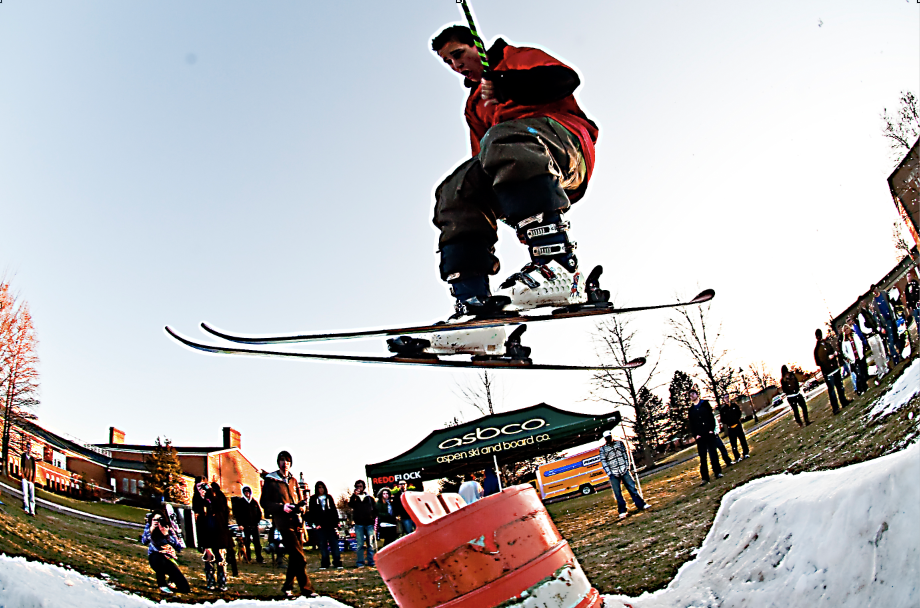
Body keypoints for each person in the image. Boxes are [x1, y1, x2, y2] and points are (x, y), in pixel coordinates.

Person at [426, 24, 604, 353]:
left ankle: (558, 267)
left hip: (562, 144)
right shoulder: (474, 104)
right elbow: (482, 162)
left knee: (504, 138)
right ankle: (477, 311)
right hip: (515, 159)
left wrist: (507, 84)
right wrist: (509, 209)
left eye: (458, 55)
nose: (456, 66)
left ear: (476, 46)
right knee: (456, 190)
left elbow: (564, 80)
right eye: (448, 63)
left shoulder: (513, 58)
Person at [260, 451, 316, 597]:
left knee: (294, 557)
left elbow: (296, 498)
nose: (285, 463)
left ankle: (287, 587)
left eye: (288, 461)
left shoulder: (293, 481)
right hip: (283, 523)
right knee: (300, 558)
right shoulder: (271, 480)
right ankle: (307, 589)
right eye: (282, 460)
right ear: (278, 462)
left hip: (297, 521)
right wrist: (280, 507)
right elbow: (264, 502)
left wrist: (301, 506)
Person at [598, 430, 649, 519]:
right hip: (613, 473)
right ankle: (622, 511)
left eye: (609, 437)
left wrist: (627, 466)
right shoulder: (603, 449)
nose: (609, 439)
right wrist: (610, 473)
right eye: (607, 438)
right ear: (605, 439)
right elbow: (604, 462)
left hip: (624, 470)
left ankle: (641, 505)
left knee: (632, 488)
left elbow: (625, 455)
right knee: (617, 493)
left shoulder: (619, 444)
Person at [192, 480, 230, 591]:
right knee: (208, 558)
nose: (203, 489)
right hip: (206, 532)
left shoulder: (218, 495)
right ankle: (210, 582)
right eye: (200, 487)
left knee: (221, 559)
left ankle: (222, 583)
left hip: (219, 532)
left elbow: (221, 508)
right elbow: (196, 509)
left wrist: (210, 493)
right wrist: (200, 496)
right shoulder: (198, 498)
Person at [141, 510, 190, 594]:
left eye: (159, 520)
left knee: (185, 589)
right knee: (158, 558)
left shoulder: (168, 529)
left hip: (168, 559)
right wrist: (151, 530)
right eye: (155, 520)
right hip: (155, 558)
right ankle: (162, 585)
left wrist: (166, 535)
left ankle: (172, 582)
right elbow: (144, 541)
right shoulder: (149, 527)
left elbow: (178, 547)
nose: (157, 522)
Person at [688, 388, 723, 486]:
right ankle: (705, 478)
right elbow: (692, 424)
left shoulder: (705, 404)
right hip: (700, 436)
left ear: (696, 395)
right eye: (690, 396)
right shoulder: (691, 410)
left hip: (709, 433)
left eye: (693, 395)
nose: (691, 397)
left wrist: (712, 429)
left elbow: (711, 417)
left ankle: (717, 472)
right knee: (703, 457)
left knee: (713, 454)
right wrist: (695, 435)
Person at [813, 329, 850, 414]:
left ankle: (843, 401)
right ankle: (835, 408)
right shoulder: (817, 349)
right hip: (828, 372)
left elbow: (833, 351)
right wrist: (827, 359)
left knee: (840, 386)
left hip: (835, 369)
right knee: (832, 391)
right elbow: (818, 362)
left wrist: (835, 354)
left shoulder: (827, 344)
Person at [308, 481, 343, 570]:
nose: (321, 490)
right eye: (319, 488)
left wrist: (336, 522)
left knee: (334, 544)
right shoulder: (313, 499)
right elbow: (311, 512)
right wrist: (315, 524)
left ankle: (337, 562)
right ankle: (325, 563)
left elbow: (334, 510)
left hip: (330, 525)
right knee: (323, 545)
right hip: (320, 525)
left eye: (322, 487)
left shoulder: (329, 497)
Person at [231, 485, 263, 564]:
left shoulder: (254, 502)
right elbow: (237, 514)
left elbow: (259, 512)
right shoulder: (240, 502)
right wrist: (240, 524)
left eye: (248, 492)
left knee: (257, 543)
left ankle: (259, 558)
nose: (247, 494)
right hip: (245, 526)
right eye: (245, 492)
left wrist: (258, 522)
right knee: (247, 542)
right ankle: (248, 558)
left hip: (254, 525)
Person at [349, 479, 376, 568]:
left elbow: (375, 509)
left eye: (360, 486)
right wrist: (354, 495)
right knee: (360, 544)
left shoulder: (369, 498)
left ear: (363, 487)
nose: (359, 488)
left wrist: (373, 518)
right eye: (357, 487)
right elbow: (350, 505)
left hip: (369, 523)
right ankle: (360, 562)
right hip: (359, 523)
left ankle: (371, 561)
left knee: (370, 544)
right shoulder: (355, 498)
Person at [872, 284, 901, 366]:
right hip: (886, 322)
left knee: (896, 336)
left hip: (892, 318)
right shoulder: (874, 302)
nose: (875, 291)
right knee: (890, 341)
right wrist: (881, 327)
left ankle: (901, 352)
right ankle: (895, 358)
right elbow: (876, 316)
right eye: (873, 290)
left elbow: (891, 302)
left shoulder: (884, 294)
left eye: (875, 289)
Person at [859, 303, 889, 380]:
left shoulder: (869, 312)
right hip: (871, 336)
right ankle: (880, 370)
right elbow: (863, 328)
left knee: (882, 350)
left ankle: (885, 366)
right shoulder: (861, 315)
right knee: (877, 353)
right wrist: (871, 330)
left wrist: (878, 329)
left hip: (876, 333)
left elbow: (874, 322)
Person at [718, 395, 750, 461]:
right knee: (733, 443)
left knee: (742, 440)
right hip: (730, 428)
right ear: (723, 400)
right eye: (725, 398)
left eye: (727, 397)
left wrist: (736, 419)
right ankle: (737, 457)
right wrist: (728, 422)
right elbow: (723, 419)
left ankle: (746, 453)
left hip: (738, 425)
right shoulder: (723, 409)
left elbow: (739, 413)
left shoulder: (734, 406)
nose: (727, 399)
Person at [841, 325, 868, 396]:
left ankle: (865, 387)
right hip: (853, 360)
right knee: (858, 374)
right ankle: (859, 389)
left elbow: (860, 343)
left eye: (847, 328)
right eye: (845, 329)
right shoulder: (845, 342)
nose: (847, 330)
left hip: (859, 357)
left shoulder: (855, 336)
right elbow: (844, 351)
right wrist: (849, 357)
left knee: (862, 372)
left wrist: (861, 352)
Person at [20, 442, 36, 516]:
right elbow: (21, 466)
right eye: (27, 447)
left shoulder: (32, 459)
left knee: (32, 496)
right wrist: (23, 475)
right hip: (25, 478)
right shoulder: (23, 456)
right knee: (25, 494)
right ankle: (26, 508)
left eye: (29, 448)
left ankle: (32, 511)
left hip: (31, 480)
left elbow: (34, 469)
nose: (28, 449)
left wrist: (33, 479)